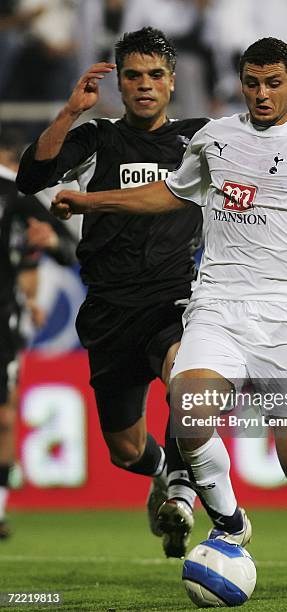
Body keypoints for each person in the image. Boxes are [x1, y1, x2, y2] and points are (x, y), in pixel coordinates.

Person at [48, 37, 287, 599]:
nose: (262, 94)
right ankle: (232, 525)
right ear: (240, 82)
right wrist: (90, 202)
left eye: (274, 84)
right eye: (253, 83)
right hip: (216, 305)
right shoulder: (214, 137)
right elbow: (171, 195)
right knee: (189, 410)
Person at [17, 27, 209, 558]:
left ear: (171, 83)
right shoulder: (96, 138)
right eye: (133, 76)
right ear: (120, 85)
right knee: (126, 451)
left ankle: (186, 494)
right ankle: (162, 471)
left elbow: (281, 160)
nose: (144, 85)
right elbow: (32, 176)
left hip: (176, 297)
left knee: (187, 385)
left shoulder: (202, 139)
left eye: (154, 75)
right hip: (108, 309)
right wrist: (69, 113)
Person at [0, 130, 77, 539]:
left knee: (5, 413)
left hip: (6, 316)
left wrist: (27, 299)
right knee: (5, 415)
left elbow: (57, 252)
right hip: (9, 314)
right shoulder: (19, 195)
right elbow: (64, 249)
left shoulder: (18, 201)